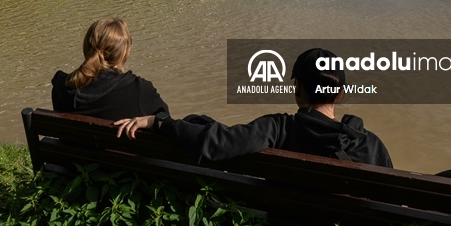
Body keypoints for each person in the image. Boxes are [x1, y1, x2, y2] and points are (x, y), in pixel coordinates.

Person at [113, 47, 392, 167]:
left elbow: (215, 144)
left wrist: (160, 121)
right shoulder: (371, 144)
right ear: (340, 94)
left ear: (297, 89)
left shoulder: (278, 128)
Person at [51, 17, 169, 121]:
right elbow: (166, 122)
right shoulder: (139, 89)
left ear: (86, 47)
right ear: (123, 52)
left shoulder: (61, 87)